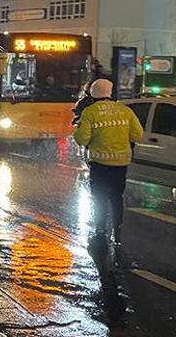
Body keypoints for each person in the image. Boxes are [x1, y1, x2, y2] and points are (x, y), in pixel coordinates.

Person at [73, 79, 143, 245]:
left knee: (99, 197)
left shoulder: (90, 112)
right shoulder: (125, 111)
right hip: (121, 163)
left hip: (100, 163)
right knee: (116, 197)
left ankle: (100, 230)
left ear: (93, 93)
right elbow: (137, 135)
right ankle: (117, 232)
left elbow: (82, 139)